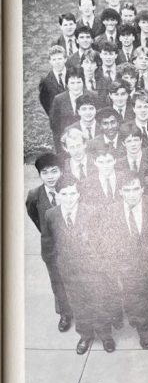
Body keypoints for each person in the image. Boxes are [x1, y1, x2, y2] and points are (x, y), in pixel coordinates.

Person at [42, 175, 118, 354]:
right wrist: (56, 267)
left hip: (93, 270)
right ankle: (85, 335)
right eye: (65, 194)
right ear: (58, 195)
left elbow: (104, 242)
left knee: (99, 302)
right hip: (69, 272)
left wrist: (101, 266)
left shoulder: (92, 212)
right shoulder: (51, 215)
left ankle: (105, 334)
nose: (69, 198)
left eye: (73, 193)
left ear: (78, 194)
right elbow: (48, 243)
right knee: (78, 304)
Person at [105, 170, 148, 349]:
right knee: (137, 302)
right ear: (120, 191)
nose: (132, 194)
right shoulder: (112, 211)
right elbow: (110, 241)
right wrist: (121, 266)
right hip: (129, 269)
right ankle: (145, 332)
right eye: (127, 190)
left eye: (136, 189)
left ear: (142, 189)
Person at [26, 153, 72, 333]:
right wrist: (47, 234)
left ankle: (81, 308)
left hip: (71, 247)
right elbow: (35, 217)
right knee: (57, 281)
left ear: (61, 171)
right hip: (51, 249)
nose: (50, 176)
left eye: (54, 171)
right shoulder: (34, 195)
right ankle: (64, 313)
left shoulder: (69, 190)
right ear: (39, 175)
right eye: (45, 173)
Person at [39, 45, 68, 115]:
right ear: (50, 61)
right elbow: (44, 101)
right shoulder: (45, 81)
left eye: (60, 59)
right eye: (54, 60)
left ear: (65, 59)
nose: (57, 62)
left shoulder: (75, 74)